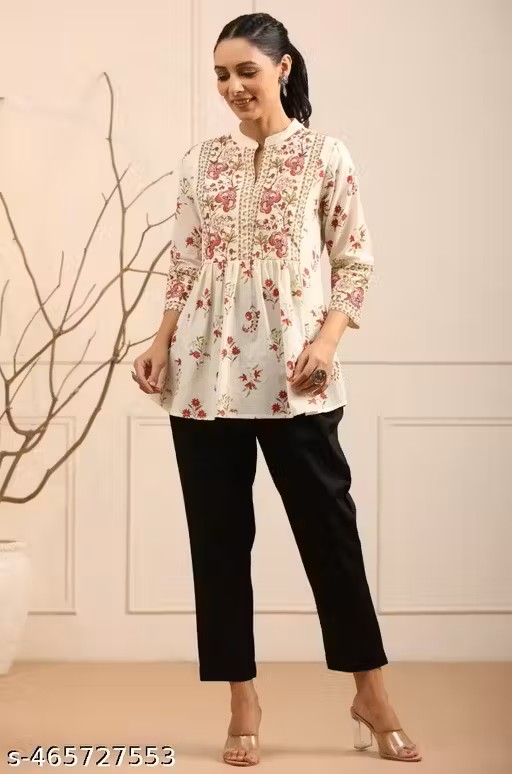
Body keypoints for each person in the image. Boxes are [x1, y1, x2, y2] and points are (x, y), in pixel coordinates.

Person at [132, 11, 422, 767]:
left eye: (246, 72)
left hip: (296, 378)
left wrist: (326, 343)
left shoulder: (326, 155)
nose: (232, 87)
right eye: (221, 75)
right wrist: (159, 341)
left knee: (331, 537)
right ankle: (242, 699)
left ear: (283, 67)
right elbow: (184, 263)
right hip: (203, 380)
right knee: (219, 543)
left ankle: (371, 693)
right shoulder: (201, 162)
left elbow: (354, 261)